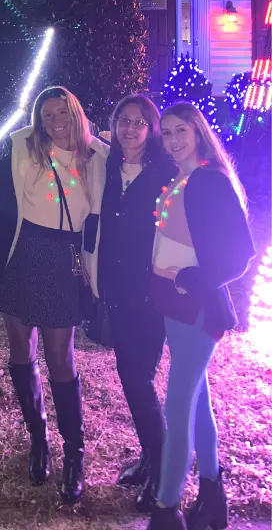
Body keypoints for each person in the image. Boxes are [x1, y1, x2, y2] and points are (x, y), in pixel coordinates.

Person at [0, 86, 109, 504]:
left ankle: (75, 454)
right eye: (47, 114)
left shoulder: (98, 157)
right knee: (22, 350)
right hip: (23, 256)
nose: (55, 121)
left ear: (76, 113)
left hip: (63, 261)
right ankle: (38, 439)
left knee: (60, 356)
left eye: (62, 113)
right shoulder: (23, 149)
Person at [147, 102, 255, 530]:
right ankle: (212, 495)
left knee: (178, 407)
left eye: (180, 132)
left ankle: (166, 509)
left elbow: (239, 254)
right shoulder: (181, 178)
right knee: (197, 401)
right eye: (167, 133)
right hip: (172, 304)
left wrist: (195, 276)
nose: (172, 141)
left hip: (196, 307)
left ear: (198, 132)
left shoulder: (209, 180)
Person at [98, 95, 177, 514]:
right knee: (130, 376)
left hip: (150, 293)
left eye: (139, 122)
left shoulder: (165, 172)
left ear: (152, 128)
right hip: (117, 290)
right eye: (123, 121)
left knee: (139, 377)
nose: (130, 129)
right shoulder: (108, 168)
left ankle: (163, 471)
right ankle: (150, 459)